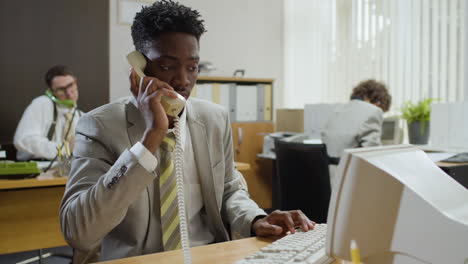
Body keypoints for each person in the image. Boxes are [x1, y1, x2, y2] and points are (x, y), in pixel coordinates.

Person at [59, 1, 314, 263]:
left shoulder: (214, 119)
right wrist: (149, 141)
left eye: (192, 67)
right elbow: (79, 232)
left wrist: (256, 219)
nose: (183, 81)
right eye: (168, 66)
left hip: (209, 257)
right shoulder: (99, 126)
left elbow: (228, 190)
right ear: (139, 68)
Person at [14, 65, 82, 161]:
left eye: (71, 85)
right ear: (51, 92)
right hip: (38, 169)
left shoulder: (81, 116)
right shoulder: (42, 104)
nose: (69, 93)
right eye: (61, 89)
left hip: (67, 171)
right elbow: (23, 140)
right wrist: (65, 148)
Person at [321, 79, 392, 159]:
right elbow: (373, 155)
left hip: (327, 170)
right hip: (350, 170)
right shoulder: (373, 110)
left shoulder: (337, 110)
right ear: (378, 103)